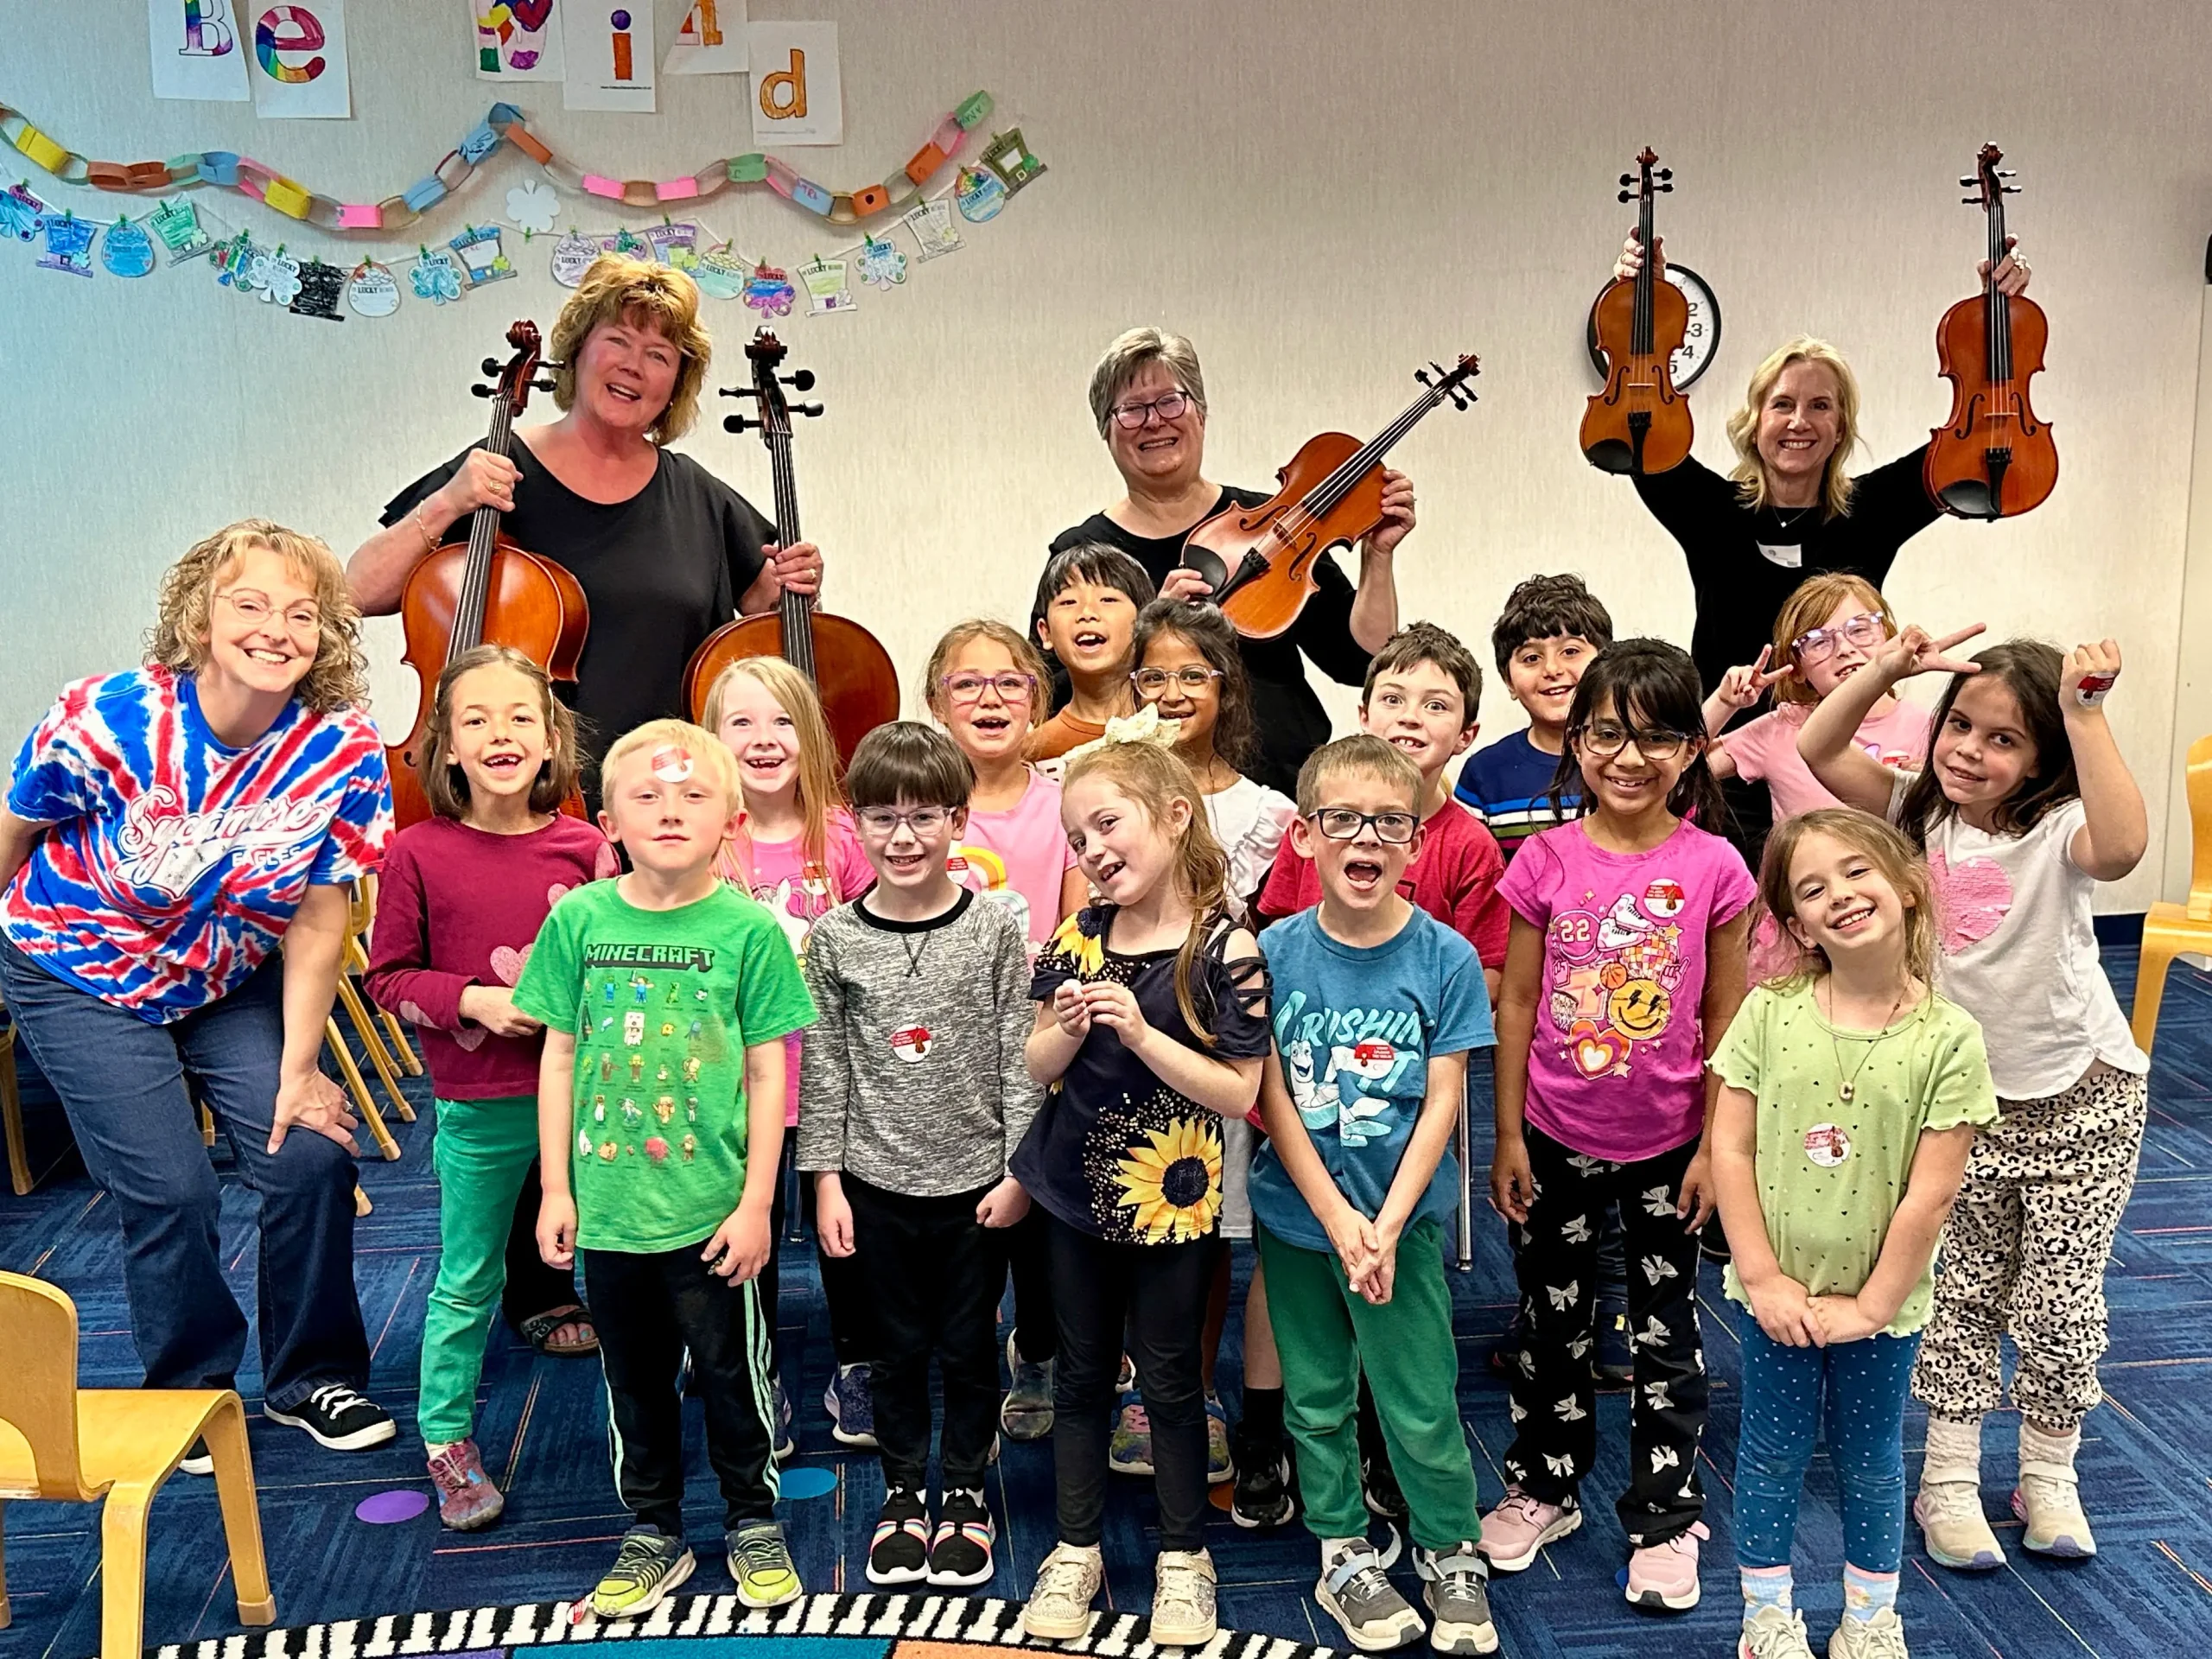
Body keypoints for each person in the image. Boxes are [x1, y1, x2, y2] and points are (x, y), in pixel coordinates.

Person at [350, 253, 830, 1356]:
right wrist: (450, 501)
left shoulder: (698, 494)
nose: (637, 365)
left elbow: (737, 629)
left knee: (652, 1044)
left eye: (661, 354)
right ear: (574, 352)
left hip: (660, 812)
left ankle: (662, 1240)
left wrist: (775, 590)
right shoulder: (503, 462)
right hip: (524, 808)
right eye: (619, 341)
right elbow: (368, 591)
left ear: (678, 382)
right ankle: (537, 1272)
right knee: (538, 1037)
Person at [0, 520, 394, 1460]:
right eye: (248, 603)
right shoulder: (111, 717)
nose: (275, 628)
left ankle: (311, 1378)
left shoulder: (341, 749)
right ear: (199, 618)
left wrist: (301, 1072)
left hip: (224, 975)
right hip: (75, 970)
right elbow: (16, 830)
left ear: (327, 633)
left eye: (301, 612)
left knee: (308, 1153)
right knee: (174, 1189)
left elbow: (316, 917)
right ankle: (190, 1390)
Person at [1798, 626, 2150, 1571]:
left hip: (2083, 1099)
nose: (1968, 750)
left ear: (2040, 760)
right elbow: (1817, 749)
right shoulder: (1916, 818)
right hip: (1960, 1109)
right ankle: (1946, 1477)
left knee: (2061, 1302)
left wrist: (2085, 711)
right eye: (1960, 725)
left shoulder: (2055, 833)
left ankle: (2048, 1472)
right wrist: (1887, 672)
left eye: (2003, 740)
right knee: (1957, 1294)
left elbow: (2121, 848)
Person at [1605, 231, 2031, 860]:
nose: (1800, 422)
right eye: (1783, 405)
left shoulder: (1871, 510)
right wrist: (1639, 301)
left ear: (1840, 428)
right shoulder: (1710, 512)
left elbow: (1981, 440)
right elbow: (1634, 427)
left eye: (1820, 406)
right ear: (1756, 421)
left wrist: (2003, 319)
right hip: (1734, 756)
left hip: (1846, 759)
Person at [516, 720, 814, 1618]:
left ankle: (751, 1517)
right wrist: (559, 1187)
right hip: (608, 1213)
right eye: (646, 796)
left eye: (692, 795)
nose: (670, 810)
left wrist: (759, 1201)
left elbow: (769, 1070)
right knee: (633, 1381)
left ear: (731, 817)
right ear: (607, 819)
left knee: (733, 1376)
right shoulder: (578, 919)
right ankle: (653, 1530)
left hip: (713, 1209)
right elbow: (560, 1055)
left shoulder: (749, 930)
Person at [1484, 639, 1755, 1611]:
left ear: (1689, 749)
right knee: (1547, 1323)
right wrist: (1508, 1134)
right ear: (1576, 739)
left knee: (1664, 1337)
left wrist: (1719, 1150)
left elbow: (1728, 1019)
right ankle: (1544, 1486)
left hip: (1670, 1146)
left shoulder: (1716, 866)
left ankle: (1667, 1512)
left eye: (1656, 738)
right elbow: (1515, 1002)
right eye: (1607, 733)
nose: (1628, 757)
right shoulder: (1545, 861)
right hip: (1553, 1133)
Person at [1711, 809, 1994, 1659]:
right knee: (1770, 1450)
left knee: (1870, 1457)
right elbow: (1728, 1145)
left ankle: (1869, 1618)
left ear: (1907, 887)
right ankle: (1768, 1614)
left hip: (1883, 1305)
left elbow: (1929, 1197)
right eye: (1812, 887)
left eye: (1856, 872)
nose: (1840, 894)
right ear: (1795, 924)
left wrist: (1872, 1305)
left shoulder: (1949, 1038)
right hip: (1778, 1294)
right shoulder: (1769, 1011)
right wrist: (1760, 1275)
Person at [1014, 741, 1271, 1650]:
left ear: (1173, 816)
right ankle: (1075, 1548)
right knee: (1082, 1378)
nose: (1090, 849)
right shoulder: (1081, 932)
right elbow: (1038, 1059)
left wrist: (1142, 1035)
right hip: (1072, 1196)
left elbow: (1240, 1092)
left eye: (1107, 824)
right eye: (1077, 837)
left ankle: (1181, 1559)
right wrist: (1071, 1028)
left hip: (1173, 1205)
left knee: (1169, 1382)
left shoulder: (1223, 943)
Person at [1251, 735, 1499, 1656]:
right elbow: (1269, 1095)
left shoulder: (1441, 956)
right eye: (1343, 820)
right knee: (1315, 1398)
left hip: (1405, 1228)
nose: (1367, 837)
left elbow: (1446, 1098)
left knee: (1418, 1395)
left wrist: (1386, 1225)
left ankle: (1447, 1545)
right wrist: (1337, 1220)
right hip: (1301, 1219)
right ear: (1304, 838)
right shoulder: (1272, 952)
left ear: (1416, 842)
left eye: (1389, 822)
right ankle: (1342, 1551)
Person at [363, 645, 618, 1529]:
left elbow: (620, 964)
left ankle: (650, 1416)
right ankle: (446, 1438)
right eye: (475, 720)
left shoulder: (587, 848)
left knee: (624, 1254)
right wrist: (472, 997)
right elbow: (387, 977)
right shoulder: (417, 853)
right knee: (467, 1276)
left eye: (520, 717)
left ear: (553, 741)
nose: (499, 735)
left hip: (593, 1101)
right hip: (481, 1103)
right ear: (447, 747)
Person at [798, 723, 1039, 1589]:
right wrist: (824, 1179)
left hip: (979, 1186)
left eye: (924, 817)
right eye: (883, 818)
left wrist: (1019, 1173)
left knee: (972, 1347)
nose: (903, 837)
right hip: (872, 1187)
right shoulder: (831, 940)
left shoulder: (995, 929)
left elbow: (1021, 1054)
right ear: (854, 824)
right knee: (892, 1350)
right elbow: (824, 1070)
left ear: (958, 820)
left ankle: (967, 1490)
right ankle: (905, 1491)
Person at [1043, 327, 1414, 796]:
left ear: (1200, 412)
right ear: (1106, 429)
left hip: (1281, 790)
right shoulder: (1081, 555)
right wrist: (1149, 633)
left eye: (1170, 402)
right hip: (1143, 801)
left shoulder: (1280, 529)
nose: (1154, 422)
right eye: (1132, 410)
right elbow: (1050, 691)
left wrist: (1377, 557)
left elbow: (1364, 662)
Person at [702, 655, 877, 1452]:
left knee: (850, 1237)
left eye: (781, 722)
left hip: (836, 1078)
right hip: (737, 1088)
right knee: (752, 1230)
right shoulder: (706, 844)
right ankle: (755, 1363)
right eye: (741, 722)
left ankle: (858, 1361)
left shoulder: (841, 837)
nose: (763, 739)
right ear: (712, 741)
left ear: (808, 738)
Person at [921, 619, 1089, 1442]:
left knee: (1042, 1212)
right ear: (934, 702)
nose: (990, 698)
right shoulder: (923, 812)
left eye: (1011, 683)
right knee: (960, 1220)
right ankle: (964, 1360)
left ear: (1038, 699)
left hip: (1038, 1037)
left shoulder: (1065, 808)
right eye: (967, 684)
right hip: (941, 1051)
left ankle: (1044, 1349)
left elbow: (1073, 933)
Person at [1701, 573, 1934, 819]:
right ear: (1798, 669)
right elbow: (1678, 766)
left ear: (1888, 636)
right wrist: (1723, 703)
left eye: (1859, 629)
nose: (1845, 649)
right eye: (1819, 642)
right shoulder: (1782, 727)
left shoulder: (1930, 728)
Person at [1132, 599, 1298, 919]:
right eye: (1153, 678)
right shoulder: (1113, 792)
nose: (1171, 695)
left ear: (1225, 686)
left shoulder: (1266, 816)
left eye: (1193, 676)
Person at [1453, 575, 1614, 863]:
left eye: (1571, 651)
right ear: (1509, 682)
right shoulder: (1484, 774)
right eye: (1531, 658)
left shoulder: (1632, 762)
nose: (1552, 669)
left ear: (1605, 663)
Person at [1027, 544, 1158, 765]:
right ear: (1045, 632)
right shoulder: (1036, 751)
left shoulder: (1174, 726)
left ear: (1143, 623)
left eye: (1108, 600)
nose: (1087, 613)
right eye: (1068, 602)